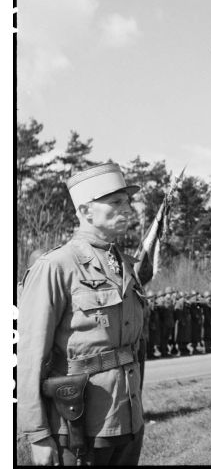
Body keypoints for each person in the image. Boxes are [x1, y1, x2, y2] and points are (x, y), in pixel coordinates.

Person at [18, 162, 145, 466]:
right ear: (87, 211)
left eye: (127, 201)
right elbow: (29, 355)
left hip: (127, 416)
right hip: (80, 422)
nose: (128, 209)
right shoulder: (56, 266)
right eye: (116, 202)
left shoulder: (125, 265)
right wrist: (37, 433)